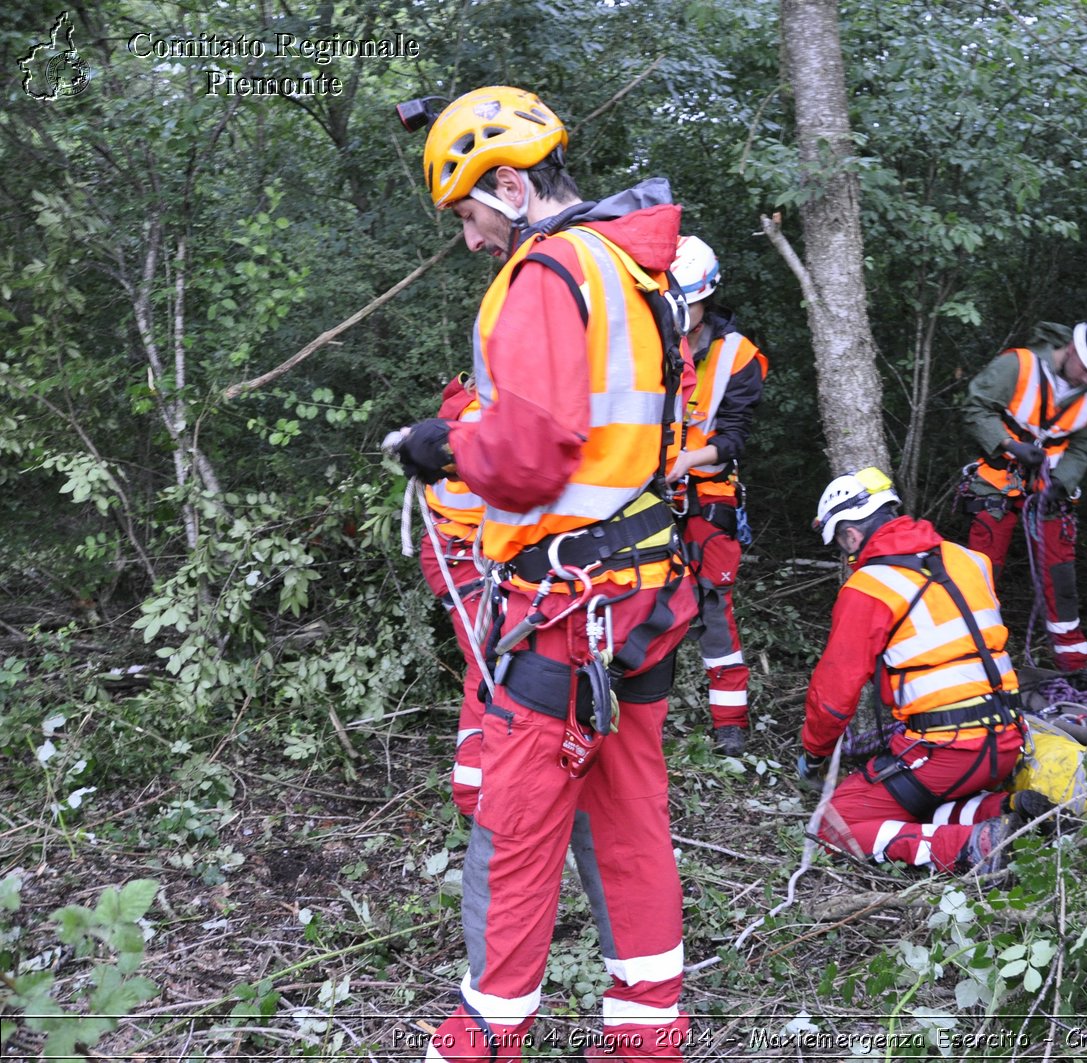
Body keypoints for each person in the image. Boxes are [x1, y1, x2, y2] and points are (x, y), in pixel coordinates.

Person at [386, 86, 697, 1063]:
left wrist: (442, 446)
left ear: (511, 185)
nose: (471, 240)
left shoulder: (546, 275)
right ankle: (648, 1037)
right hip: (639, 589)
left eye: (469, 215)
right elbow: (599, 435)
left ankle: (483, 1039)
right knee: (630, 818)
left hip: (565, 611)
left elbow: (527, 455)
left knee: (516, 831)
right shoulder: (624, 268)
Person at [794, 468, 1051, 874]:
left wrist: (815, 751)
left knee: (834, 825)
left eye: (842, 543)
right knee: (918, 798)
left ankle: (970, 846)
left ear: (851, 534)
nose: (848, 556)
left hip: (946, 748)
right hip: (1005, 738)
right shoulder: (970, 560)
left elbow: (834, 692)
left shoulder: (871, 586)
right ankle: (1005, 808)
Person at [959, 319, 1087, 674]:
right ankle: (971, 661)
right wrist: (1011, 445)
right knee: (980, 573)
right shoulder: (1017, 366)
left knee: (1060, 577)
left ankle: (1072, 667)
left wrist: (1061, 484)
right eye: (1086, 370)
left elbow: (1084, 447)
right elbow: (974, 408)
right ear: (1073, 351)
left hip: (1048, 490)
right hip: (997, 481)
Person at [667, 236, 769, 757]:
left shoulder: (739, 357)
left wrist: (689, 461)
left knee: (714, 602)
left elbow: (733, 436)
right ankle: (628, 710)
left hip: (707, 490)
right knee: (638, 598)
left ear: (705, 296)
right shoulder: (642, 339)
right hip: (641, 490)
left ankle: (730, 725)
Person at [416, 374, 489, 820]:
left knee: (496, 665)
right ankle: (472, 796)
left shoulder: (470, 406)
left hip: (477, 555)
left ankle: (483, 787)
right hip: (462, 555)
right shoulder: (479, 415)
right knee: (490, 666)